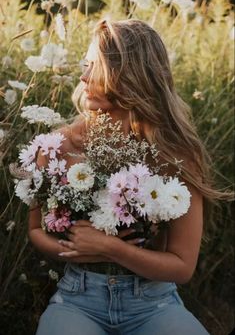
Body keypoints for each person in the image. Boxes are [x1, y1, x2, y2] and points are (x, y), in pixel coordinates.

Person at [30, 18, 222, 335]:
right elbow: (36, 230)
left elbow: (183, 266)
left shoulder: (177, 155)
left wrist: (111, 248)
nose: (83, 76)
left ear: (131, 76)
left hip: (154, 303)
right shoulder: (58, 146)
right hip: (77, 301)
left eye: (96, 66)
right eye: (86, 64)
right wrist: (76, 249)